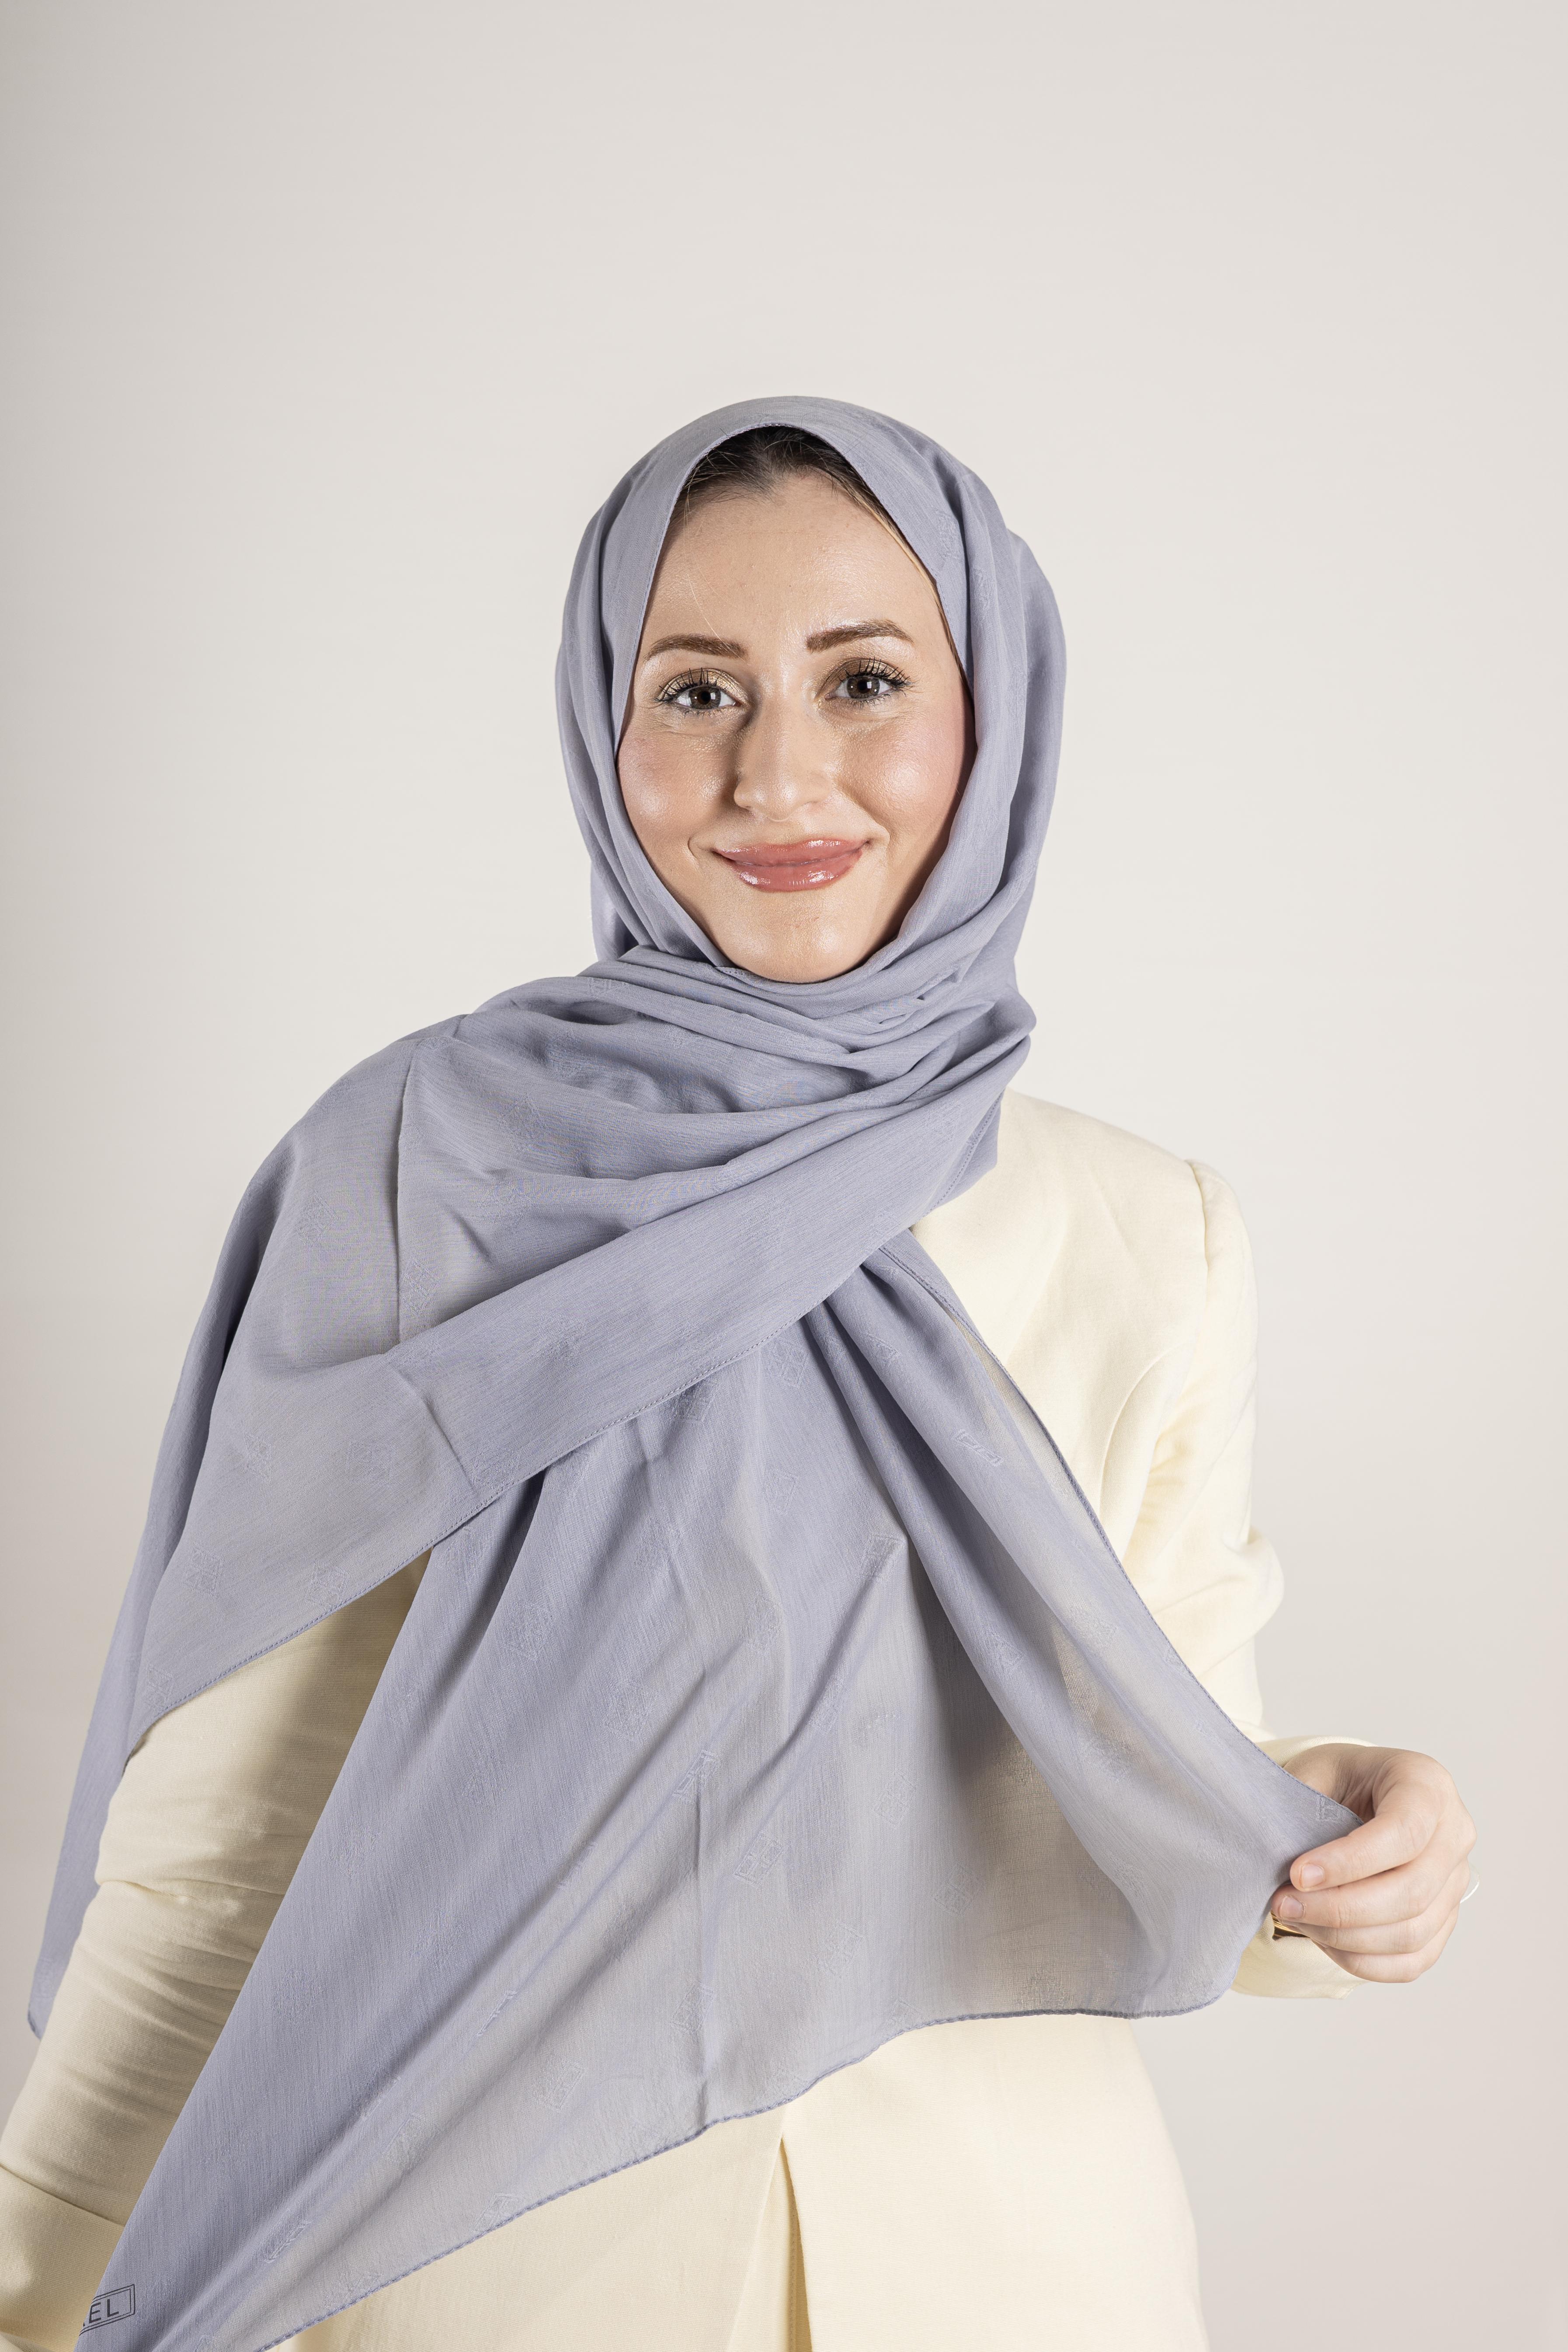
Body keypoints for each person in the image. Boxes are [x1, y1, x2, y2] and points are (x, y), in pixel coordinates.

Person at [0, 402, 1474, 2352]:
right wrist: (41, 2288)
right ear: (602, 730)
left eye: (865, 680)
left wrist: (1350, 1841)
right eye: (696, 689)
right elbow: (223, 1848)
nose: (776, 771)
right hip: (501, 2273)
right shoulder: (418, 1174)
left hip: (1018, 2279)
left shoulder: (1146, 1227)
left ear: (995, 712)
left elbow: (1156, 1771)